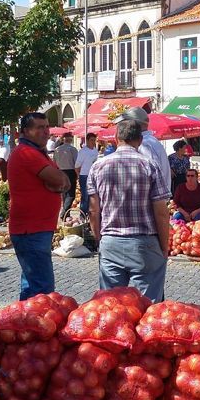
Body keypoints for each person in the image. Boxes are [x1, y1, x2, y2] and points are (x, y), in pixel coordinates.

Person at [87, 119, 171, 301]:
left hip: (111, 241)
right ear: (140, 140)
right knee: (149, 309)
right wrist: (164, 246)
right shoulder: (149, 165)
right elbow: (161, 213)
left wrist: (99, 239)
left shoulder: (97, 167)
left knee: (111, 306)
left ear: (116, 138)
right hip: (144, 243)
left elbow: (94, 210)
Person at [8, 112, 69, 300]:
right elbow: (60, 179)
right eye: (39, 127)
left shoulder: (37, 153)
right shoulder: (27, 153)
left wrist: (58, 183)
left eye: (47, 127)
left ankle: (24, 324)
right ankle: (32, 326)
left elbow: (64, 182)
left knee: (31, 284)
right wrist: (57, 183)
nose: (45, 131)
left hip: (35, 229)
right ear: (26, 131)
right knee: (42, 289)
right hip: (31, 229)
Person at [116, 107, 171, 197]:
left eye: (124, 124)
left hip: (149, 203)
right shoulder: (150, 141)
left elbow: (153, 178)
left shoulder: (144, 145)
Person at [54, 132, 79, 217]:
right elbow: (77, 163)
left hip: (60, 171)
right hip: (70, 171)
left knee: (64, 193)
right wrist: (77, 174)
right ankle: (64, 211)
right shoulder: (72, 149)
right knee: (71, 194)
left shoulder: (57, 149)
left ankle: (66, 213)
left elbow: (54, 162)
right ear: (71, 139)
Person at [75, 131, 99, 215]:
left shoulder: (95, 151)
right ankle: (83, 214)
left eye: (94, 140)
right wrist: (79, 175)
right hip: (84, 175)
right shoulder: (83, 151)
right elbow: (77, 165)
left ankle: (90, 214)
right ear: (87, 141)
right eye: (92, 140)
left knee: (92, 195)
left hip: (93, 175)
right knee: (85, 196)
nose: (93, 142)